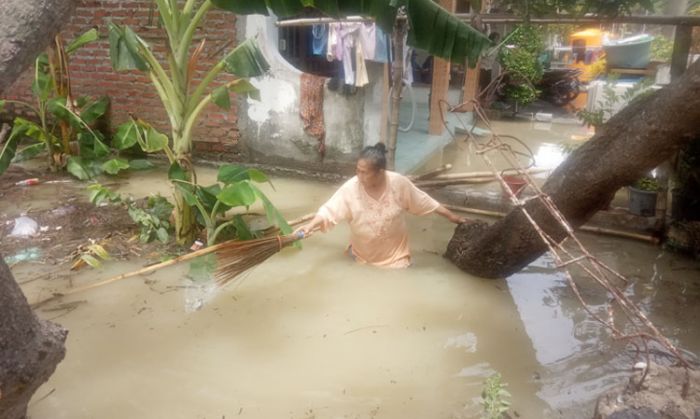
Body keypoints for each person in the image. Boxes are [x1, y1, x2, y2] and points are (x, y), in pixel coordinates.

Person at [296, 143, 470, 268]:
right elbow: (329, 210)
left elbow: (426, 202)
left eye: (364, 172)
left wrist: (453, 217)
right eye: (357, 170)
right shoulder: (351, 188)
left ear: (380, 172)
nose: (359, 175)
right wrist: (310, 226)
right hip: (360, 256)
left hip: (396, 260)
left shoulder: (398, 184)